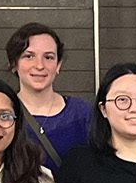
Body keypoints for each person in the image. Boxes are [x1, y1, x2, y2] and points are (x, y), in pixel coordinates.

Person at [7, 22, 93, 170]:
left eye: (48, 57)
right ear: (14, 63)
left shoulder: (84, 114)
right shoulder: (3, 114)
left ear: (58, 65)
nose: (39, 65)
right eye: (29, 56)